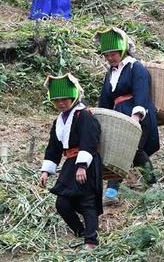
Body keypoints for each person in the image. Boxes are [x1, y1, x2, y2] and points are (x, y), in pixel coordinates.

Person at [95, 27, 160, 205]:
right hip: (118, 118)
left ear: (122, 50)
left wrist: (135, 118)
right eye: (106, 55)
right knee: (118, 152)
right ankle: (110, 193)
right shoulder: (111, 74)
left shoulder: (135, 67)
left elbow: (141, 92)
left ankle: (153, 184)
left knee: (133, 150)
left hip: (137, 115)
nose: (109, 58)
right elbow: (105, 99)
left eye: (112, 54)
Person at [38, 73, 102, 249]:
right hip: (70, 164)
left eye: (65, 99)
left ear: (74, 96)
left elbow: (90, 141)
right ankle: (80, 232)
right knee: (62, 203)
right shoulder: (58, 121)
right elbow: (53, 148)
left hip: (86, 163)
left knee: (87, 201)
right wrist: (46, 171)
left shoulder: (84, 116)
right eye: (57, 100)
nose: (61, 103)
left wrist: (82, 166)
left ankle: (91, 241)